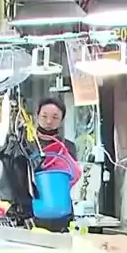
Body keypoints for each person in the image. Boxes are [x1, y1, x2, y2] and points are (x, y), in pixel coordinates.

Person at [34, 97, 81, 233]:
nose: (49, 121)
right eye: (44, 116)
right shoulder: (28, 144)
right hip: (34, 209)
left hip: (61, 209)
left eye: (55, 117)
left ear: (61, 120)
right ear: (37, 116)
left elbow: (73, 176)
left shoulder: (68, 147)